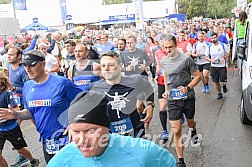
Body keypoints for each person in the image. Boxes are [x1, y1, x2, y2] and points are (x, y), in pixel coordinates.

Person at [47, 91, 176, 167]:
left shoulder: (142, 151)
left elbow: (169, 163)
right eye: (76, 131)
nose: (82, 139)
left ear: (107, 128)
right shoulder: (64, 158)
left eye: (90, 131)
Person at [0, 50, 82, 163]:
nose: (28, 69)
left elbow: (85, 102)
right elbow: (30, 111)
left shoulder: (62, 83)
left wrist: (75, 123)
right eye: (25, 65)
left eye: (32, 65)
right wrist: (16, 114)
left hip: (68, 139)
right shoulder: (27, 87)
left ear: (43, 63)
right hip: (47, 141)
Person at [90, 51, 154, 137]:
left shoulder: (135, 81)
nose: (106, 69)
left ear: (120, 66)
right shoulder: (94, 88)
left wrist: (150, 104)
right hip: (109, 137)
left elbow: (148, 87)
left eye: (111, 65)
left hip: (135, 132)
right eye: (103, 66)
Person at [161, 35, 201, 167]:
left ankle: (193, 129)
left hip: (187, 98)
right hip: (173, 100)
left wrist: (188, 87)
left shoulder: (186, 59)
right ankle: (181, 160)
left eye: (170, 47)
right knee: (177, 130)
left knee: (190, 121)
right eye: (165, 47)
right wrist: (166, 90)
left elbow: (198, 76)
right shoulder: (164, 61)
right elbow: (166, 76)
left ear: (176, 45)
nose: (167, 50)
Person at [0, 75, 39, 167]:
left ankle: (33, 161)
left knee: (20, 149)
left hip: (11, 129)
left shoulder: (6, 94)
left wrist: (10, 114)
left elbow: (17, 109)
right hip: (0, 130)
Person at [205, 32, 229, 100]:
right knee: (216, 81)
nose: (213, 39)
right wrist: (211, 60)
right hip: (213, 67)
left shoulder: (222, 45)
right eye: (212, 38)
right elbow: (206, 57)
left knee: (223, 80)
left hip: (222, 66)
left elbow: (228, 53)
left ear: (217, 37)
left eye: (214, 38)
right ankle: (219, 93)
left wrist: (223, 58)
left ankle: (224, 85)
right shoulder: (209, 46)